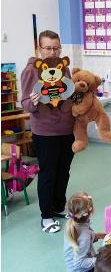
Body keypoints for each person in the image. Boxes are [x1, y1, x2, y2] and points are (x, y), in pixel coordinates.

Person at [21, 30, 75, 233]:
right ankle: (46, 216)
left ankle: (58, 207)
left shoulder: (63, 68)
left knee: (63, 171)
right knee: (48, 173)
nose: (53, 52)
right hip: (45, 133)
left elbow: (69, 92)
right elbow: (25, 102)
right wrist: (33, 102)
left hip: (66, 129)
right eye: (48, 48)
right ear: (39, 48)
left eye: (56, 48)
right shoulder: (30, 71)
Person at [64, 192, 105, 272]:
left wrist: (97, 236)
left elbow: (81, 240)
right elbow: (79, 262)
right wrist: (98, 260)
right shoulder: (84, 236)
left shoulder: (72, 224)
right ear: (90, 212)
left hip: (73, 270)